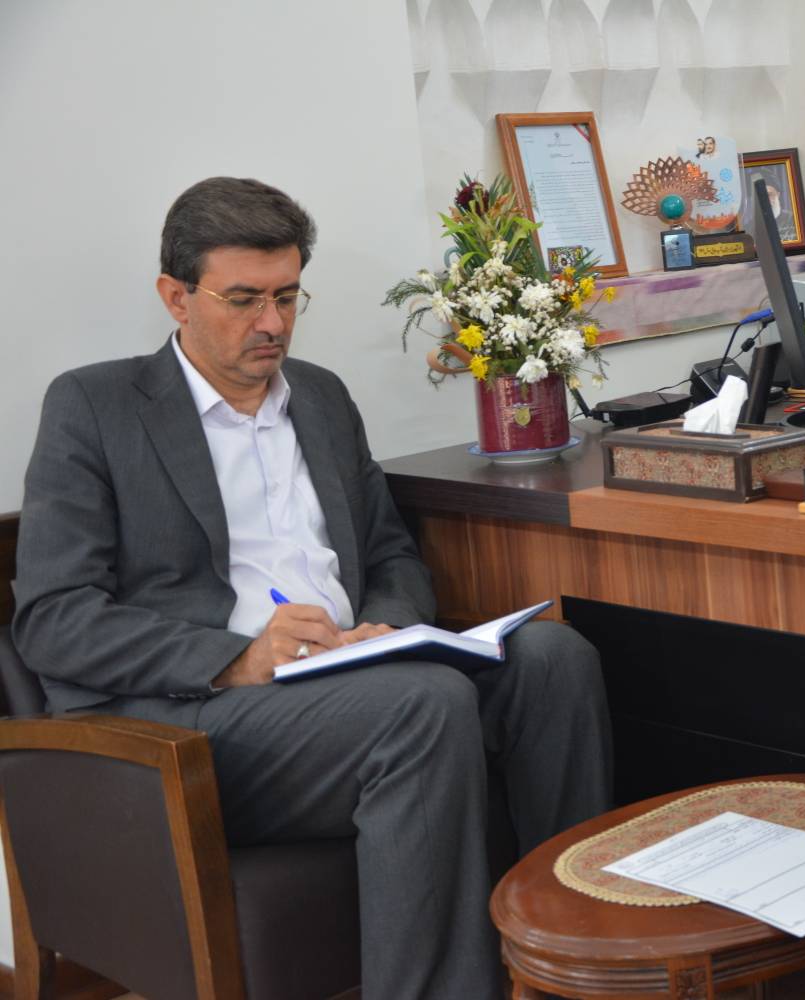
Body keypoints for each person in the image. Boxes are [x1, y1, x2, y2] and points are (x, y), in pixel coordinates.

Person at [12, 177, 613, 999]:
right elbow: (53, 619)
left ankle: (580, 968)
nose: (273, 323)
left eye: (288, 296)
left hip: (351, 679)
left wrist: (387, 626)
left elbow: (391, 554)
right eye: (244, 299)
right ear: (176, 297)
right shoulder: (95, 406)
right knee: (423, 705)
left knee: (553, 659)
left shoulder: (321, 397)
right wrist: (236, 659)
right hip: (194, 721)